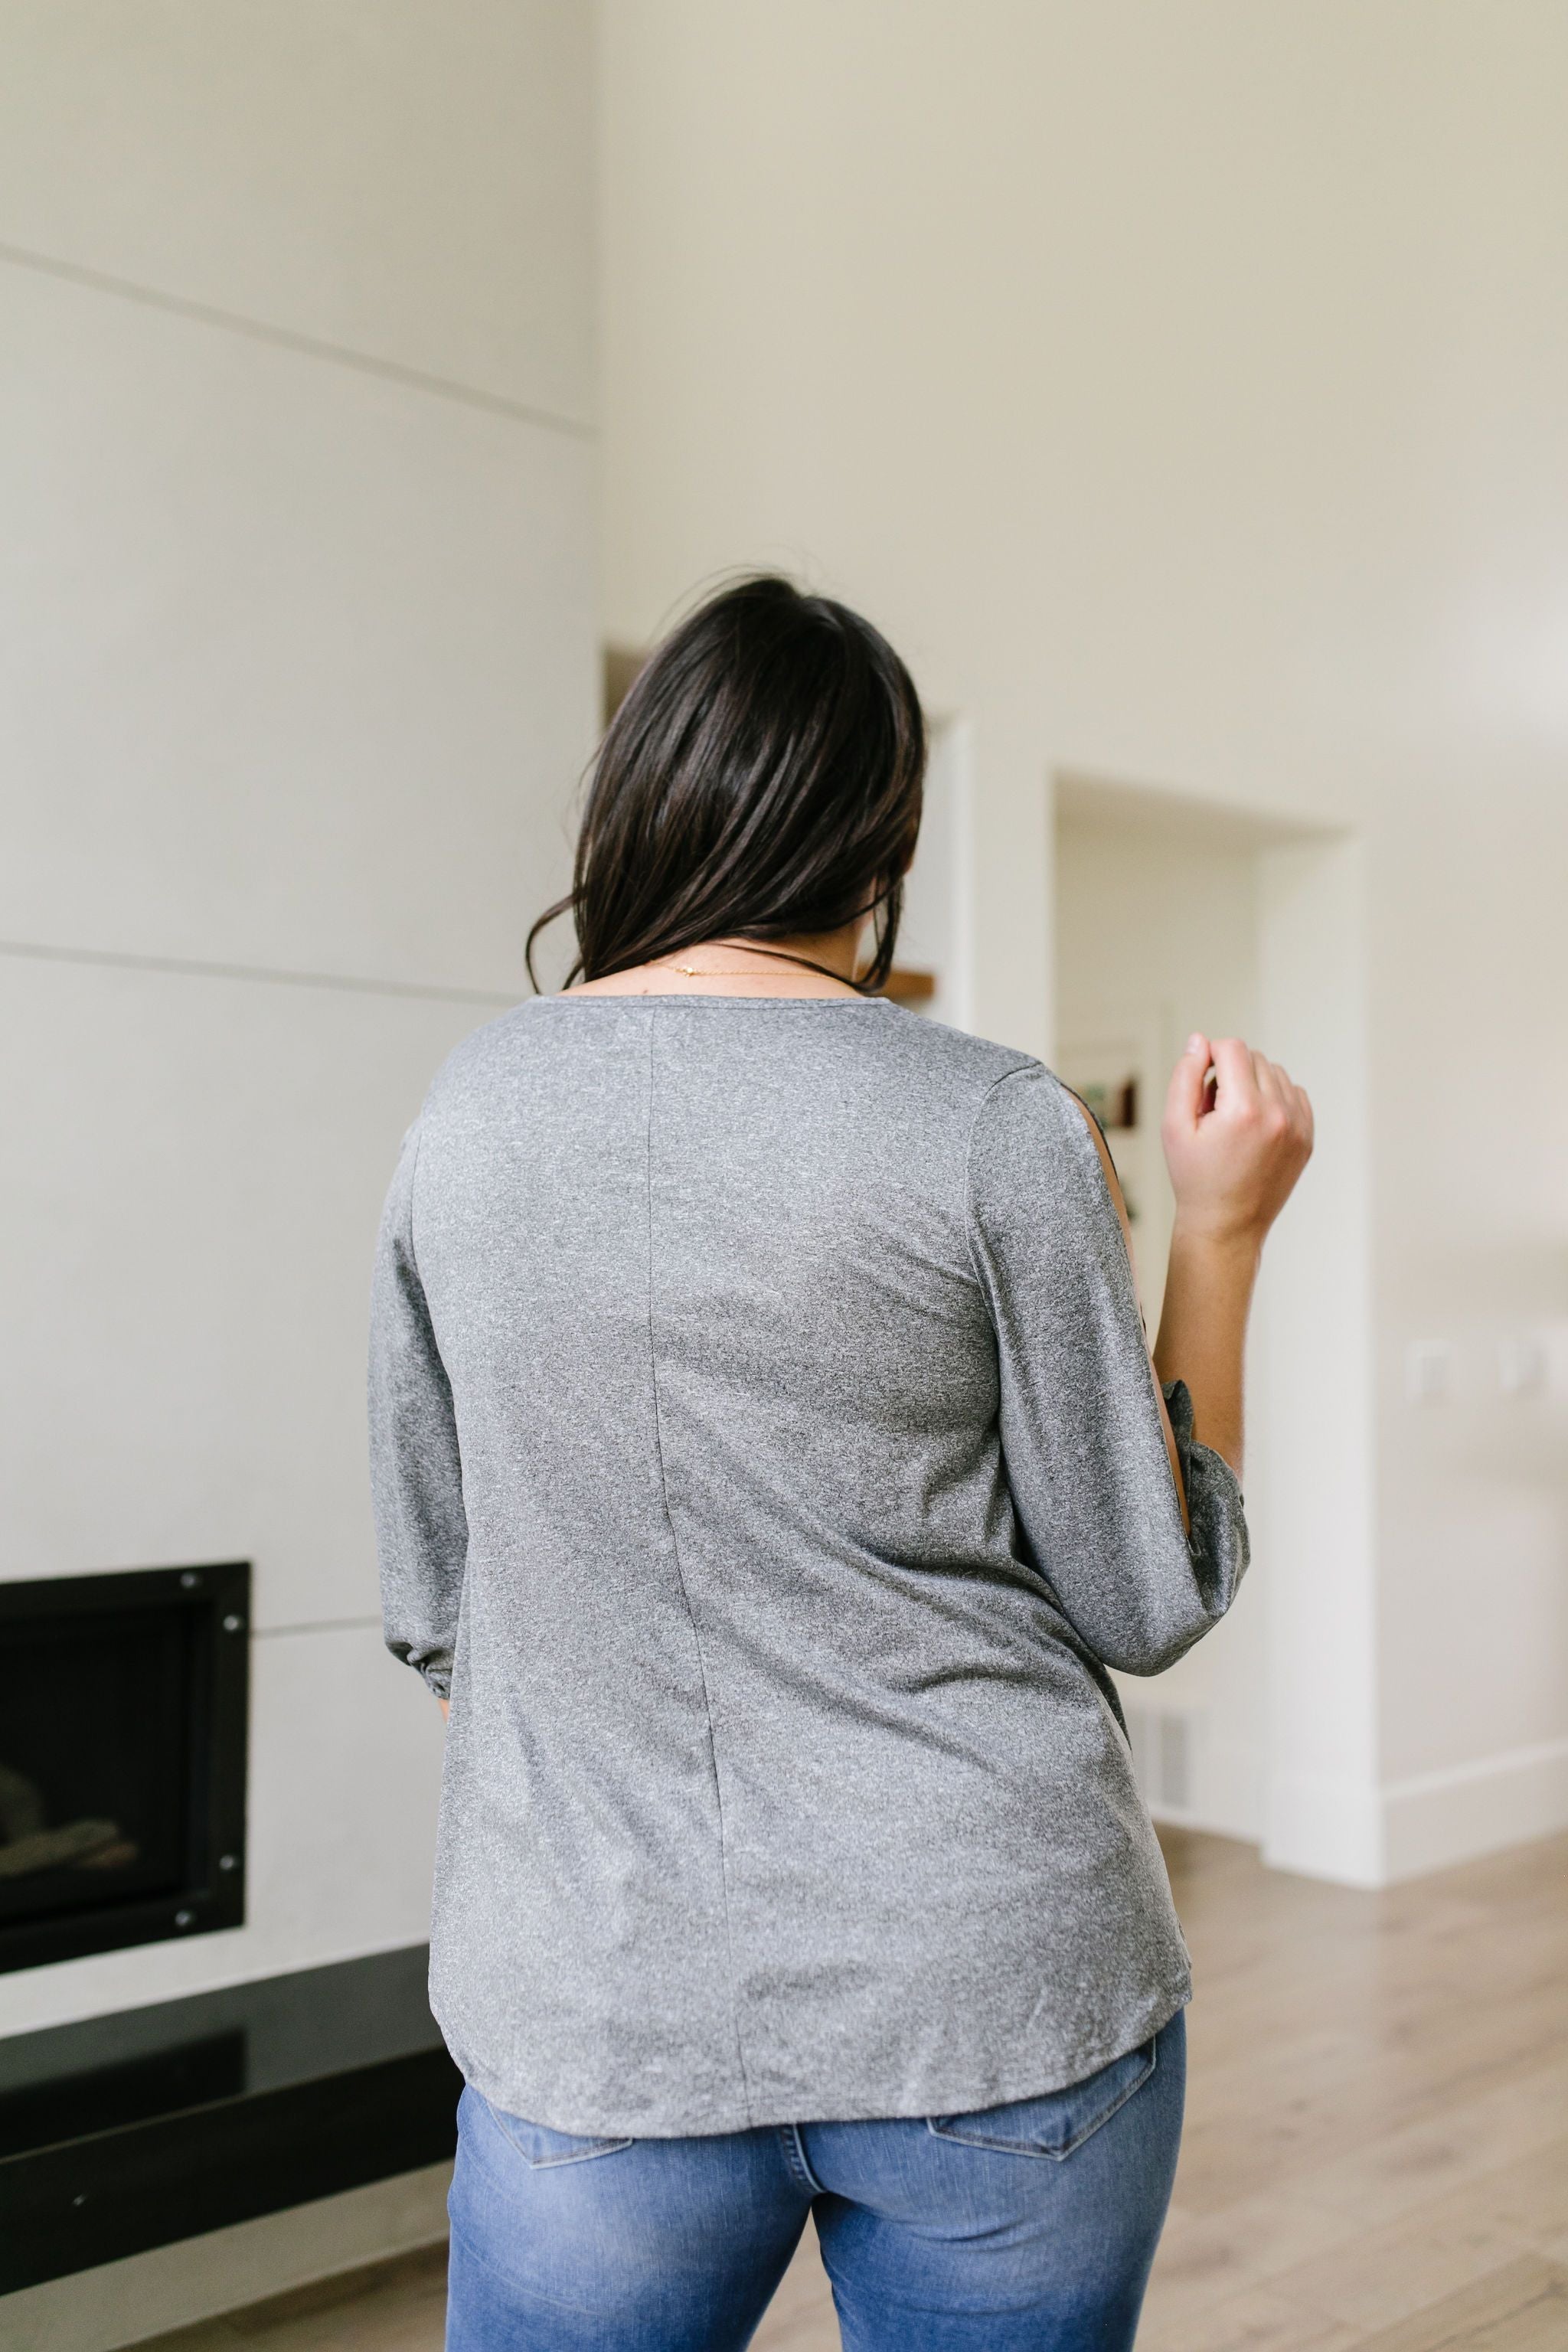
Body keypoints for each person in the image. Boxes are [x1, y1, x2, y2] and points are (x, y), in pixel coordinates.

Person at [369, 576, 1313, 2352]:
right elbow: (1146, 1591)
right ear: (878, 835)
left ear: (643, 798)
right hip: (996, 1988)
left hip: (602, 2011)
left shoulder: (464, 1117)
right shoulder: (988, 1120)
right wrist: (1222, 1232)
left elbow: (442, 1611)